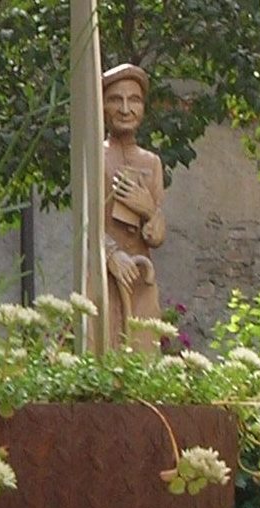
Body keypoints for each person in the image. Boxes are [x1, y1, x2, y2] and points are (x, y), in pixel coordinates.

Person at [101, 64, 166, 353]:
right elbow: (85, 222)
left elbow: (157, 236)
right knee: (103, 350)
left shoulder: (151, 162)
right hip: (104, 277)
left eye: (134, 100)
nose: (126, 109)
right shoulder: (94, 155)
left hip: (141, 279)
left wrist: (149, 209)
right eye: (116, 99)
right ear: (103, 106)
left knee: (143, 354)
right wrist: (111, 254)